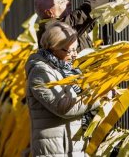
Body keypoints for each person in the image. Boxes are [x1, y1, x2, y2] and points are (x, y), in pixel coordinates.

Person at [25, 22, 113, 157]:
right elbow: (64, 107)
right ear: (54, 47)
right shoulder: (40, 72)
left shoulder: (68, 69)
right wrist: (99, 95)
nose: (75, 55)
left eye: (75, 49)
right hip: (55, 150)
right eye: (70, 50)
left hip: (71, 147)